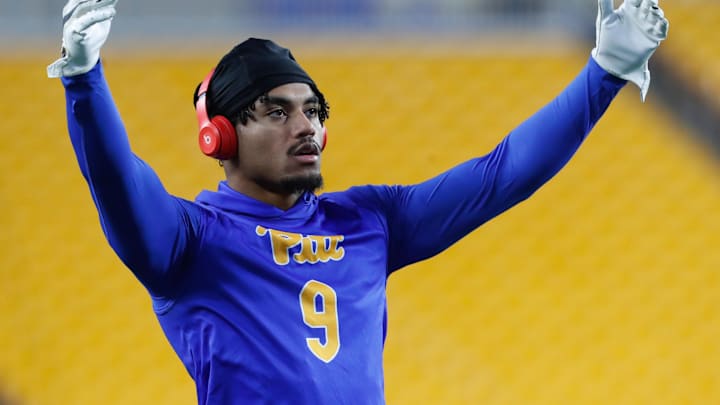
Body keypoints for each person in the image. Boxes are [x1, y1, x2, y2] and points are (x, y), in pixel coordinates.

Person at [48, 0, 668, 403]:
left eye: (315, 112)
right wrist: (85, 79)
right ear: (221, 135)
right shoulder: (190, 240)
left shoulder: (369, 219)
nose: (307, 127)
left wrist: (604, 72)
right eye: (277, 110)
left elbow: (500, 174)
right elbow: (117, 180)